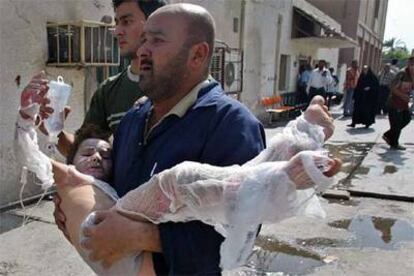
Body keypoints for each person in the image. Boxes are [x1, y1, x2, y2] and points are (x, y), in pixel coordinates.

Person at [72, 4, 340, 275]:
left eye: (156, 41)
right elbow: (111, 192)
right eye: (143, 40)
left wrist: (143, 236)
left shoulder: (231, 126)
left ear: (198, 54)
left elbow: (236, 241)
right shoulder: (133, 120)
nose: (142, 50)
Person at [17, 85, 341, 274]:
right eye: (88, 153)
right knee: (178, 182)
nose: (98, 156)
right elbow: (35, 153)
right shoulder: (70, 180)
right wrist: (28, 119)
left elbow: (77, 148)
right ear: (71, 160)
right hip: (138, 263)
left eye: (106, 153)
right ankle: (294, 147)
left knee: (185, 189)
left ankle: (296, 144)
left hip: (139, 245)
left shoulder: (107, 184)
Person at [22, 0, 165, 157]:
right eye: (117, 23)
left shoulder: (181, 83)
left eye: (126, 22)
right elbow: (83, 155)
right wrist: (55, 130)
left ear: (155, 24)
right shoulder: (109, 91)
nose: (117, 31)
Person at [382, 56, 414, 150]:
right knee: (396, 123)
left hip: (404, 104)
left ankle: (388, 135)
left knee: (406, 119)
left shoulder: (411, 75)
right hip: (394, 102)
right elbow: (392, 87)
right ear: (408, 64)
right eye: (412, 64)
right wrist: (402, 95)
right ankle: (394, 143)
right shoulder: (402, 73)